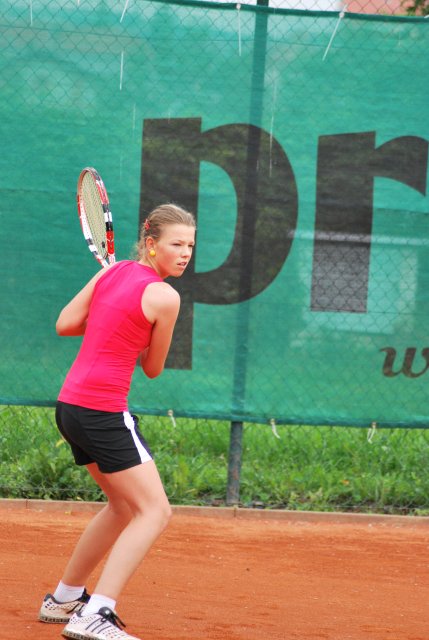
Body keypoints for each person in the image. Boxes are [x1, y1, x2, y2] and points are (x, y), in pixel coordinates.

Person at [38, 204, 196, 640]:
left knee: (123, 506)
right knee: (155, 511)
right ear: (151, 243)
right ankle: (97, 612)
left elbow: (66, 323)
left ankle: (65, 597)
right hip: (103, 411)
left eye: (190, 246)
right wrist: (136, 331)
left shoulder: (111, 272)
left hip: (70, 407)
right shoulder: (165, 297)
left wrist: (115, 317)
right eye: (176, 244)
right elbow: (153, 367)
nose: (185, 254)